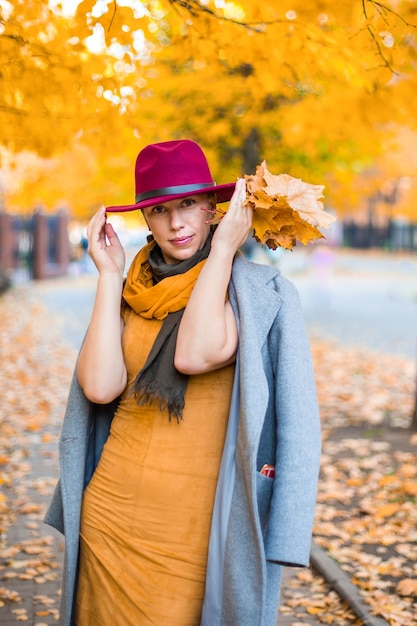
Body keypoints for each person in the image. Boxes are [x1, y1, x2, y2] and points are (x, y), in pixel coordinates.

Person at [45, 139, 321, 626]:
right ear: (145, 219)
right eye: (160, 209)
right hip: (109, 512)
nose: (176, 223)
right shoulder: (132, 290)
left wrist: (222, 251)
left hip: (198, 528)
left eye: (189, 204)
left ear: (214, 207)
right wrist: (108, 277)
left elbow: (195, 354)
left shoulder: (259, 292)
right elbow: (100, 387)